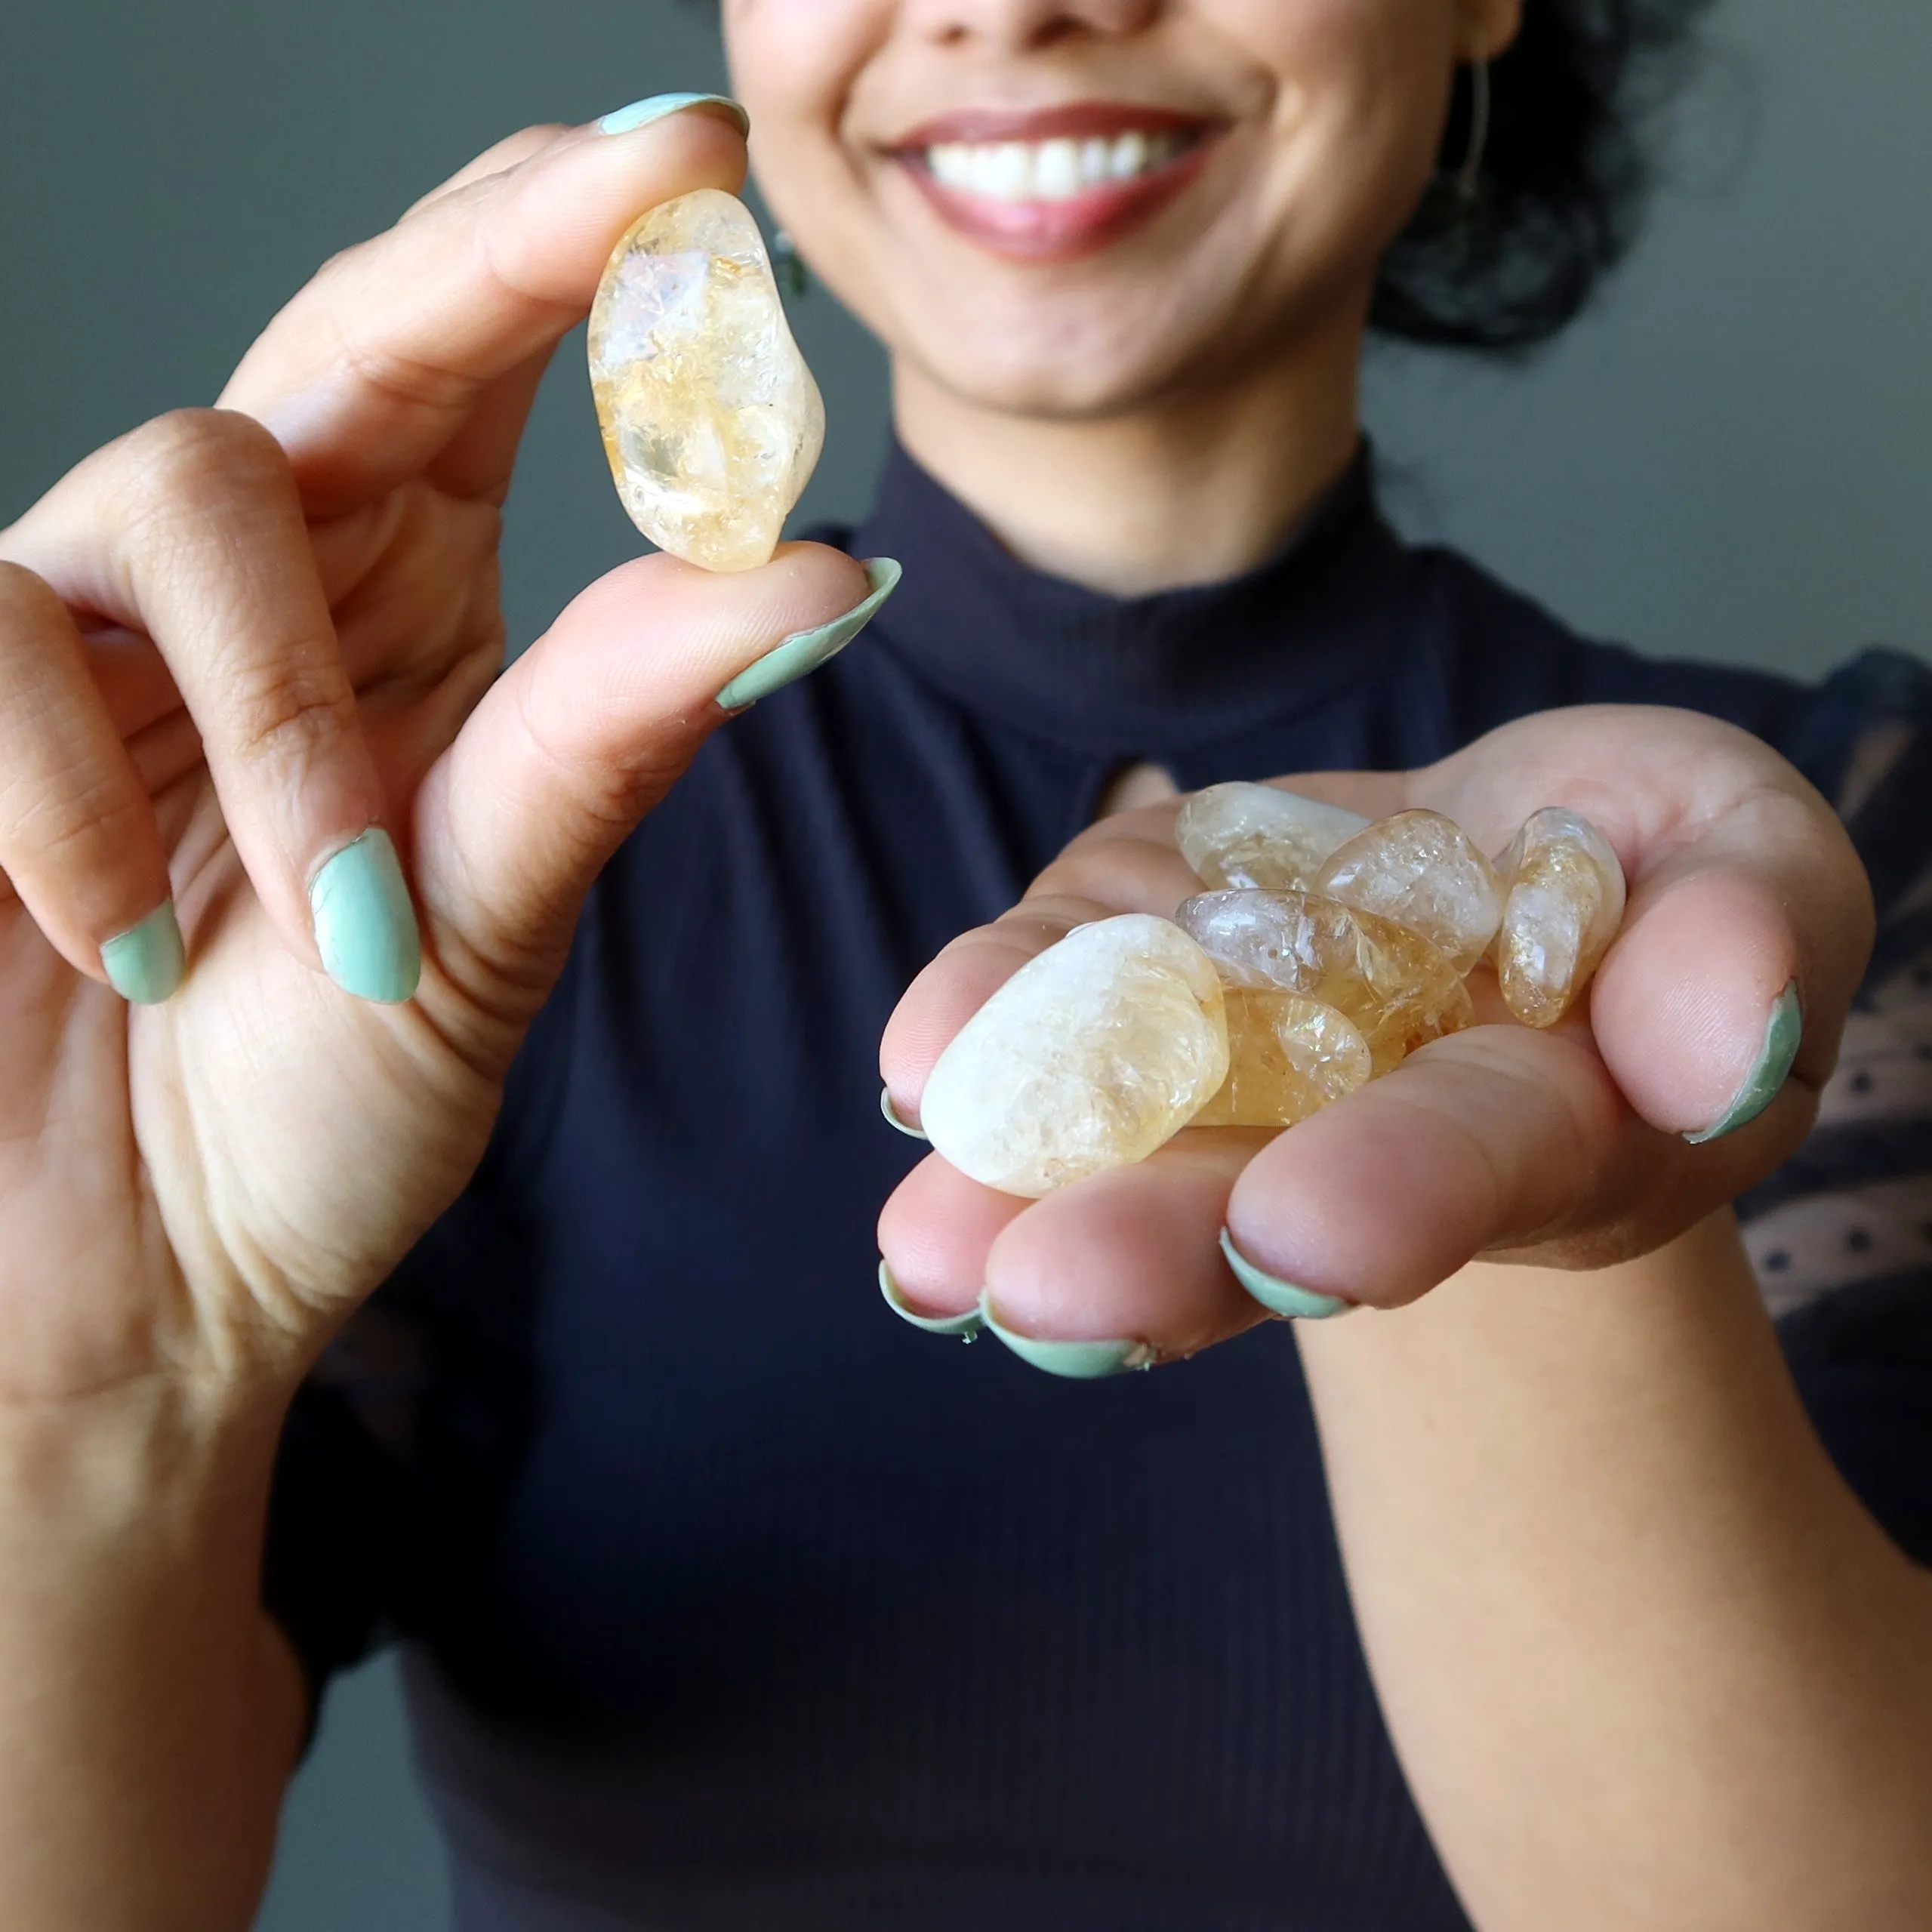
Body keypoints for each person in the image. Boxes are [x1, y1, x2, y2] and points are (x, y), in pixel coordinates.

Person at [0, 2, 1928, 1927]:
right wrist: (87, 1380)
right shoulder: (416, 908)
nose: (1016, 3)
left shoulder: (1822, 854)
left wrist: (1566, 1196)